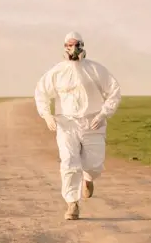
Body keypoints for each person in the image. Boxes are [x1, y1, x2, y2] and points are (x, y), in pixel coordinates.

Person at [34, 31, 122, 220]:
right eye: (69, 45)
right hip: (66, 123)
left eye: (77, 45)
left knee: (94, 165)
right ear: (64, 47)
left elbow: (114, 91)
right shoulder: (56, 72)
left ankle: (89, 178)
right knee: (69, 162)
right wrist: (47, 115)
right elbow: (41, 93)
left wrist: (103, 113)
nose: (73, 49)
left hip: (93, 122)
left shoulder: (96, 70)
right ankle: (72, 204)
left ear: (83, 46)